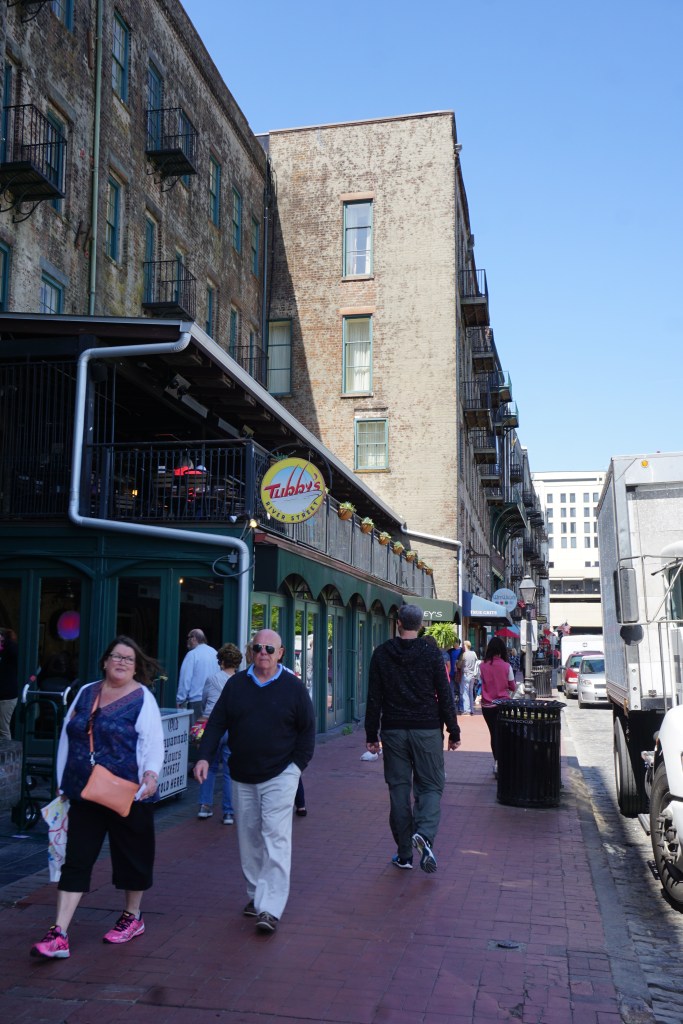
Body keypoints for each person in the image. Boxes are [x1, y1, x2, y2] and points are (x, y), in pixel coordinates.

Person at [30, 636, 164, 960]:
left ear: (136, 667)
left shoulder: (143, 698)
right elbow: (68, 735)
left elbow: (152, 742)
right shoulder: (86, 692)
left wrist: (151, 776)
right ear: (104, 661)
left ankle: (133, 916)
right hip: (84, 792)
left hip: (127, 794)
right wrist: (63, 782)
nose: (121, 662)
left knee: (132, 857)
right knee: (77, 859)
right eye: (116, 656)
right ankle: (59, 933)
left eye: (128, 659)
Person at [194, 628, 315, 935]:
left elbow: (307, 730)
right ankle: (256, 894)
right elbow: (217, 722)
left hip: (281, 774)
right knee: (248, 837)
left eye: (270, 649)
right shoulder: (236, 685)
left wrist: (296, 768)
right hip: (242, 773)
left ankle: (270, 908)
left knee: (275, 836)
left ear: (281, 653)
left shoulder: (293, 687)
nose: (263, 653)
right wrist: (204, 756)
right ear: (251, 651)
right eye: (258, 648)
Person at [364, 604, 461, 874]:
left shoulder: (382, 653)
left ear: (398, 623)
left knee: (398, 789)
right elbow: (445, 694)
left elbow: (374, 697)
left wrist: (371, 734)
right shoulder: (431, 654)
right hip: (426, 729)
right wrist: (453, 730)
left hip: (393, 730)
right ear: (420, 626)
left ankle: (405, 853)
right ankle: (424, 834)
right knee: (431, 785)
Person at [196, 642, 243, 824]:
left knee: (208, 765)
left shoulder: (212, 679)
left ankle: (205, 805)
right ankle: (228, 812)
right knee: (229, 771)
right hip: (231, 728)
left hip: (212, 726)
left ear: (221, 662)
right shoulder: (240, 682)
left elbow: (204, 700)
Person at [478, 636, 516, 778]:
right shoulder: (506, 666)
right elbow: (512, 686)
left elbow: (479, 682)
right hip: (503, 705)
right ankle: (503, 761)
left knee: (493, 734)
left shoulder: (482, 666)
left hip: (487, 706)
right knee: (503, 734)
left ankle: (497, 761)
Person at [177, 628, 218, 722]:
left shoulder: (192, 654)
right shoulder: (215, 653)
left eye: (188, 638)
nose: (187, 641)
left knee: (195, 730)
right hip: (213, 701)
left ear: (194, 638)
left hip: (196, 702)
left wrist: (180, 700)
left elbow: (185, 680)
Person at [0, 627, 18, 741]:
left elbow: (16, 652)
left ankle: (7, 751)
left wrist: (6, 642)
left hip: (6, 696)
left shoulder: (10, 650)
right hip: (3, 694)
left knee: (3, 729)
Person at [459, 640, 479, 715]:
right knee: (470, 692)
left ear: (465, 646)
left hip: (466, 674)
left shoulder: (464, 654)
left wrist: (457, 663)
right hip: (472, 675)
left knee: (465, 693)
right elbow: (477, 662)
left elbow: (459, 665)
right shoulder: (474, 653)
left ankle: (467, 710)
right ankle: (471, 710)